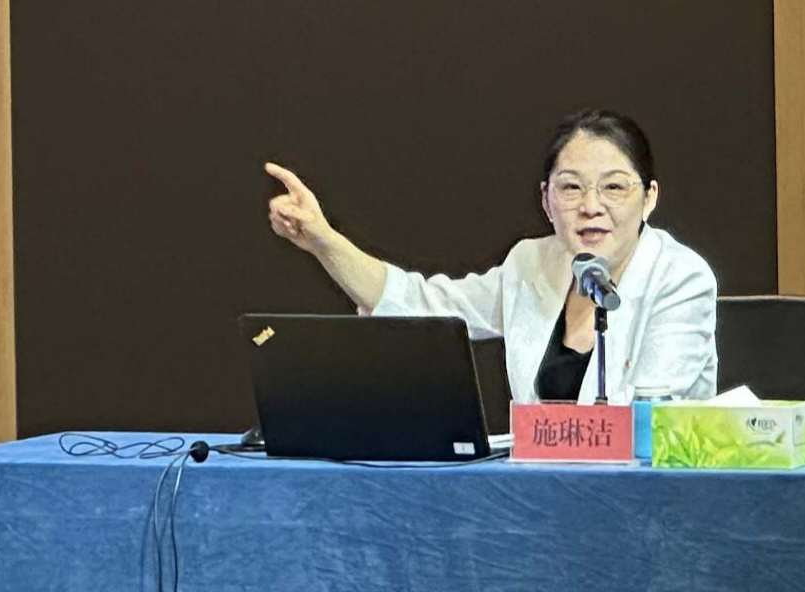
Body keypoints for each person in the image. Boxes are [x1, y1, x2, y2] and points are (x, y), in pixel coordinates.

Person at [265, 109, 717, 405]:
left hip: (647, 503)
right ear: (546, 200)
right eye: (571, 187)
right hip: (539, 495)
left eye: (614, 187)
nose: (591, 206)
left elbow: (653, 420)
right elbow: (421, 305)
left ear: (649, 198)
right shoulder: (531, 263)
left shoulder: (679, 277)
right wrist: (323, 241)